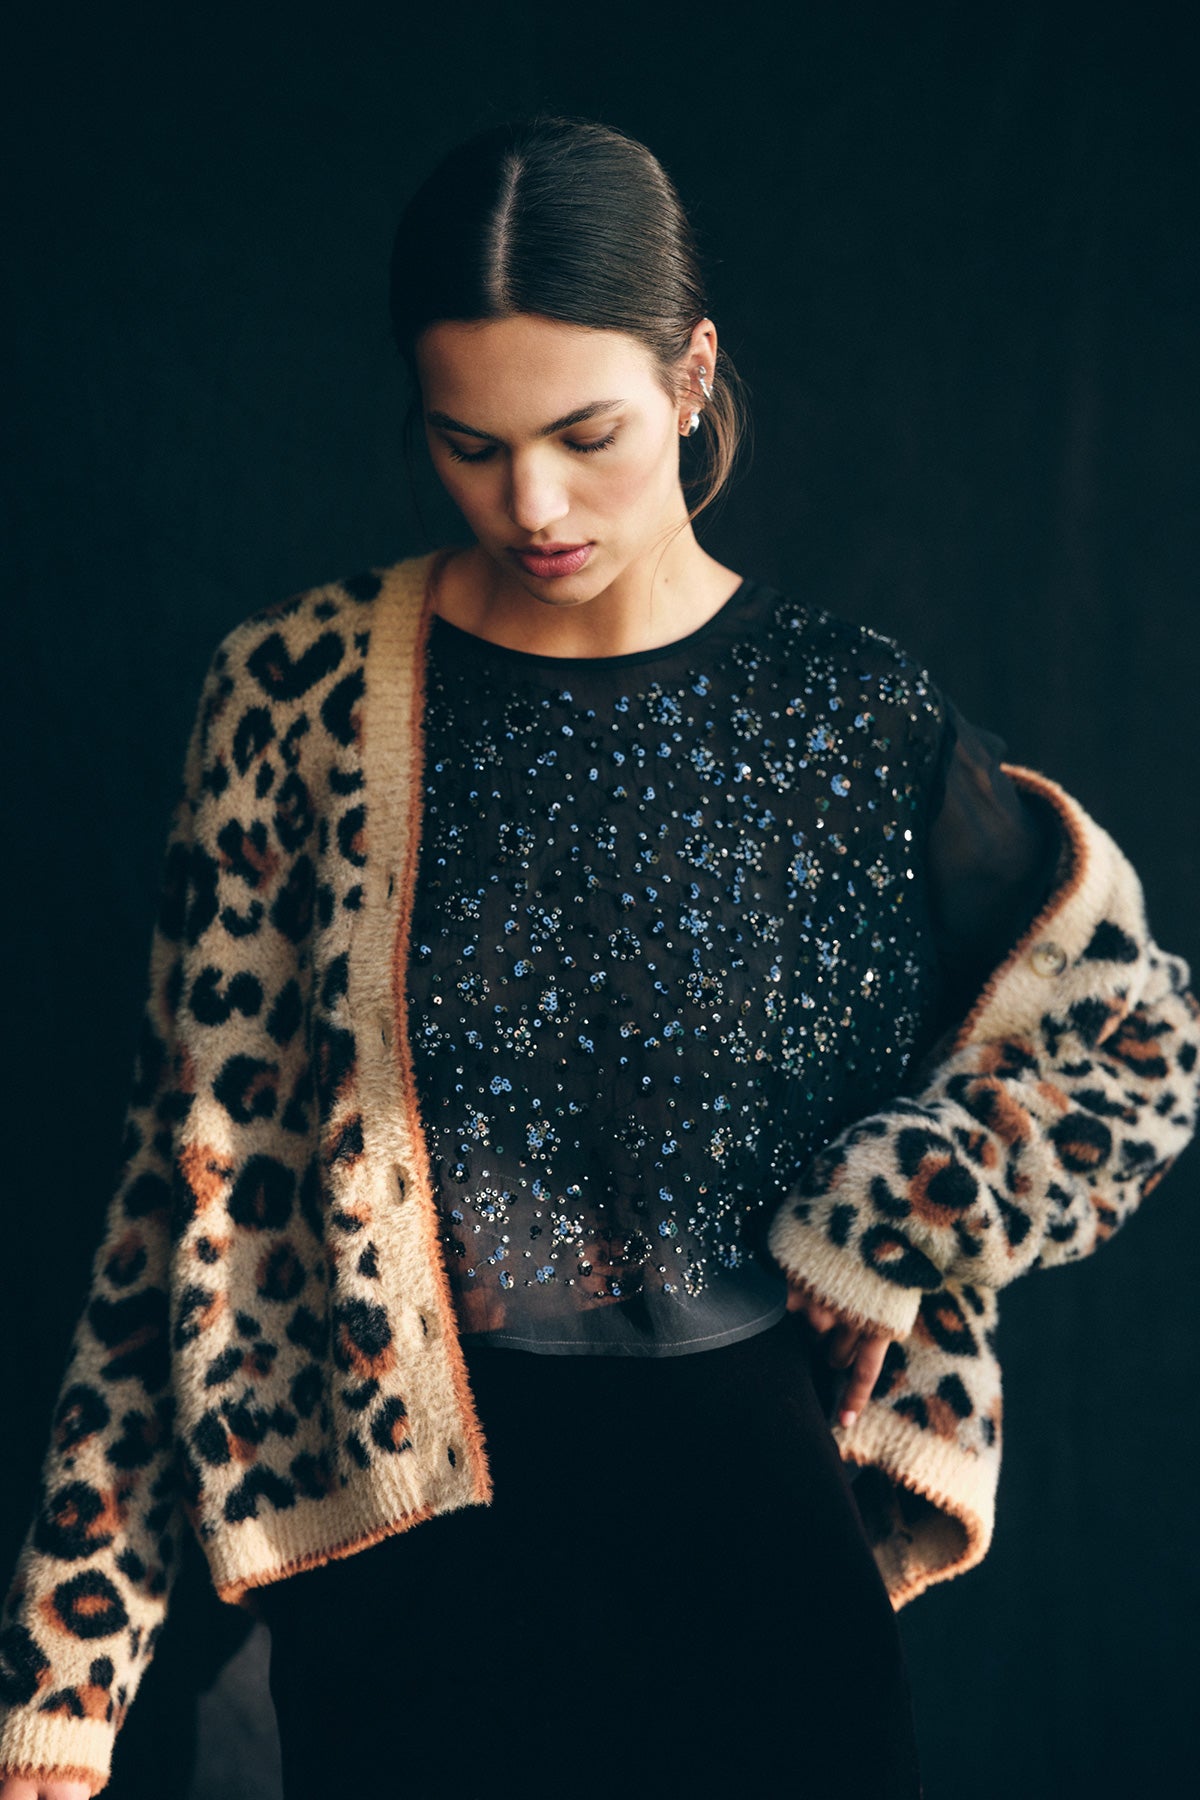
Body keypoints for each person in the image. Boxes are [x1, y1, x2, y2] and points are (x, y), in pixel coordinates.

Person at [2, 114, 1198, 1800]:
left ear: (693, 375)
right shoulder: (295, 698)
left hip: (757, 1561)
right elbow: (182, 1189)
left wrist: (892, 1220)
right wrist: (71, 1662)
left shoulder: (843, 714)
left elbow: (1137, 1043)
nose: (534, 502)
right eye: (467, 444)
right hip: (405, 1581)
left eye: (586, 433)